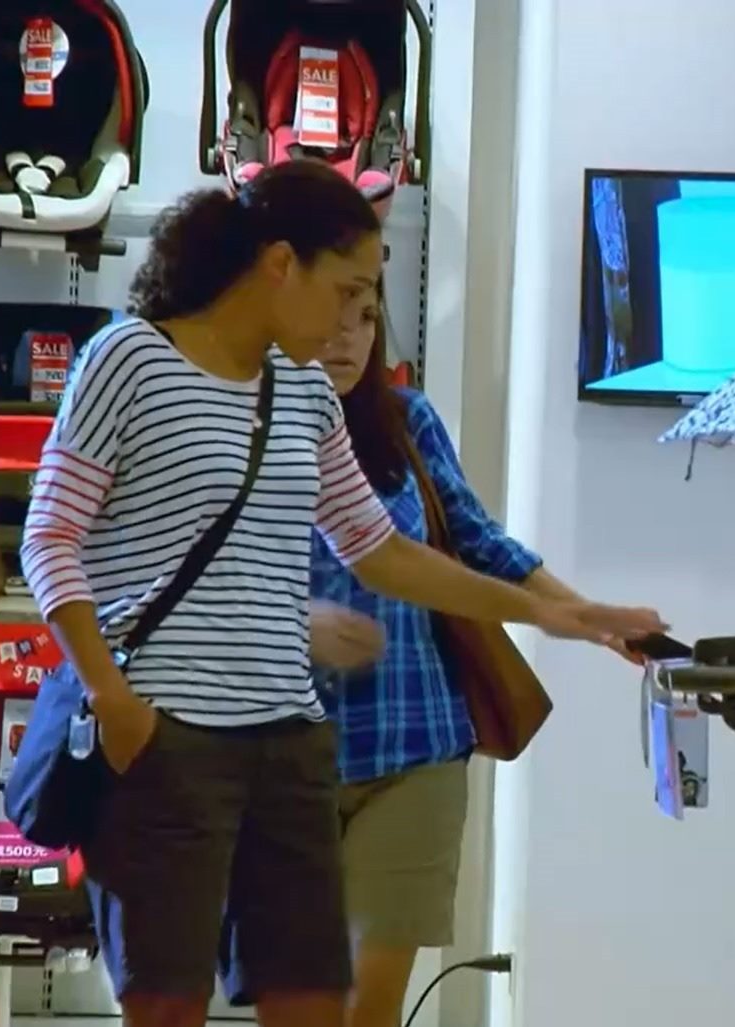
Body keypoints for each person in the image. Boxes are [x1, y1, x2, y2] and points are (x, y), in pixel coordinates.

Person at [19, 160, 666, 1027]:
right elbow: (48, 536)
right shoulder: (129, 358)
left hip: (289, 748)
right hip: (163, 740)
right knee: (166, 1005)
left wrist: (561, 613)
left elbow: (379, 549)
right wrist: (109, 693)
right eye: (345, 291)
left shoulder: (302, 393)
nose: (348, 323)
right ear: (280, 264)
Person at [305, 282, 644, 1027]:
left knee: (370, 1005)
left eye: (365, 318)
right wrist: (301, 623)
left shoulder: (405, 421)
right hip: (280, 755)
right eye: (331, 315)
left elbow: (475, 537)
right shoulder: (241, 427)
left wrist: (582, 615)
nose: (347, 337)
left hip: (414, 745)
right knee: (300, 1002)